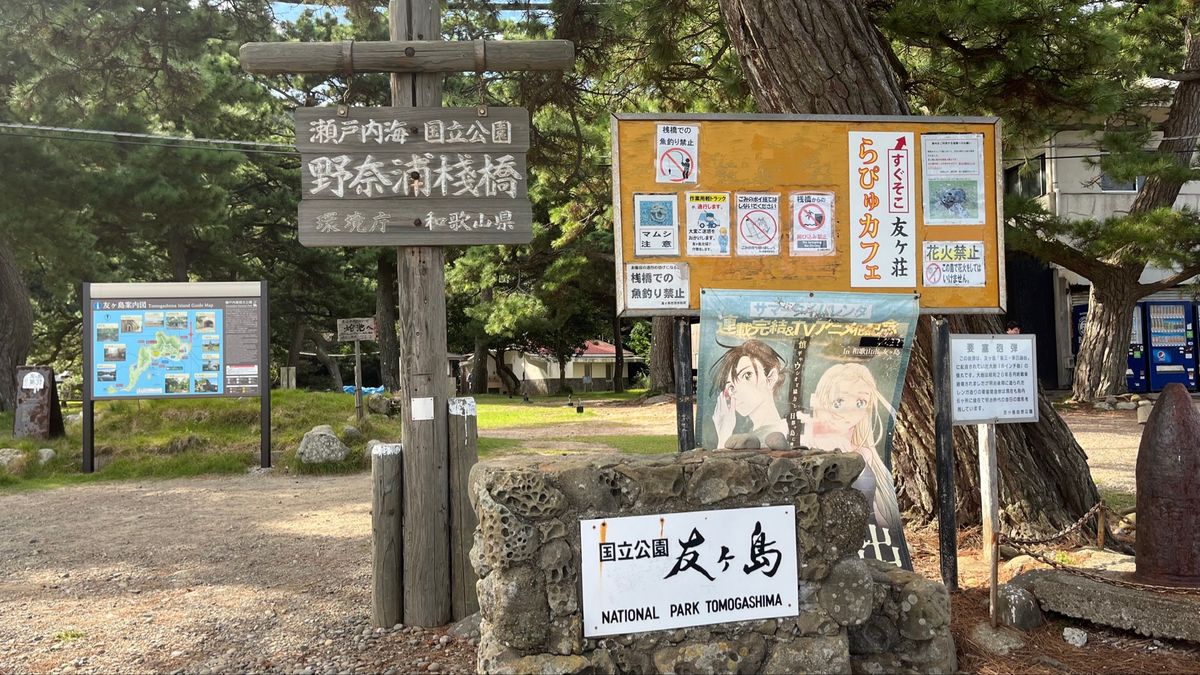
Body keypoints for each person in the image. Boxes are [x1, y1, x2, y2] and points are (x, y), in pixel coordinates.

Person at [799, 363, 902, 536]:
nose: (850, 411)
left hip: (865, 541)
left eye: (860, 403)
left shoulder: (865, 453)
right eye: (839, 401)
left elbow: (883, 515)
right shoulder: (803, 441)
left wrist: (890, 538)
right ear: (816, 399)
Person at [708, 339, 788, 449]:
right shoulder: (752, 435)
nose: (735, 390)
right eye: (730, 386)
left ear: (771, 378)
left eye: (747, 375)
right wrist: (724, 431)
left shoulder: (780, 434)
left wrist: (724, 435)